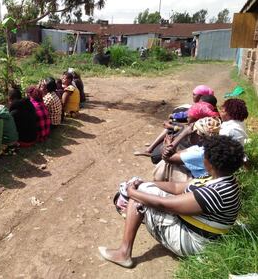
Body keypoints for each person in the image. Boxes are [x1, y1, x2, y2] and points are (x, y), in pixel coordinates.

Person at [99, 135, 244, 268]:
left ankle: (124, 253)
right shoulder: (221, 178)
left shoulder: (214, 192)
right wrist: (144, 183)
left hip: (194, 243)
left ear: (210, 162)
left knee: (138, 200)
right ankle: (135, 212)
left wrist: (134, 192)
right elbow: (177, 187)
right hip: (196, 228)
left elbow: (166, 205)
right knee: (143, 189)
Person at [135, 85, 215, 158]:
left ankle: (152, 148)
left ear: (201, 96)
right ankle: (152, 147)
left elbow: (187, 129)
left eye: (194, 94)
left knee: (170, 129)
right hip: (189, 134)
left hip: (189, 142)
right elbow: (186, 115)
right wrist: (174, 117)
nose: (192, 96)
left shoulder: (201, 120)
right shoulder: (201, 109)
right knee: (172, 124)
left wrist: (173, 126)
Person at [153, 117, 221, 182]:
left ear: (200, 138)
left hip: (199, 183)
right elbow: (176, 154)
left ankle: (157, 186)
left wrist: (168, 144)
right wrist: (170, 146)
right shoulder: (205, 147)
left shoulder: (200, 153)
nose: (189, 136)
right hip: (204, 178)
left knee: (166, 164)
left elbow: (167, 158)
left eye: (192, 134)